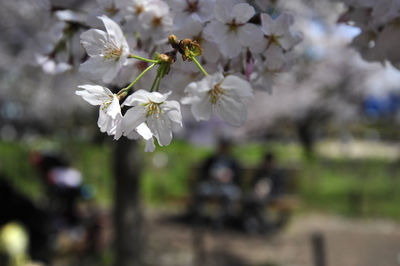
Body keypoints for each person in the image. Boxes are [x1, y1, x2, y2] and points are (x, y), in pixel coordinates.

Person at [191, 138, 242, 228]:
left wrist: (228, 177)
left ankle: (221, 220)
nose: (223, 148)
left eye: (226, 147)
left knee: (228, 196)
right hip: (212, 185)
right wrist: (211, 176)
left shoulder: (233, 161)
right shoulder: (212, 159)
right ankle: (200, 218)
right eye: (222, 146)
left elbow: (238, 176)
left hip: (227, 186)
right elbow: (204, 172)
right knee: (201, 191)